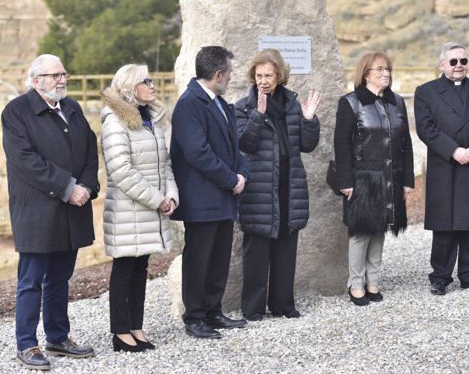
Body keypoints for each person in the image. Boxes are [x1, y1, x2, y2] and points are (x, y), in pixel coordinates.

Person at [1, 54, 99, 370]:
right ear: (36, 81)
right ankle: (27, 345)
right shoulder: (16, 112)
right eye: (54, 75)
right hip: (38, 212)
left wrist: (85, 185)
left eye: (63, 74)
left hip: (70, 211)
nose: (62, 80)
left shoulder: (72, 108)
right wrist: (68, 187)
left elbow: (89, 149)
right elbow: (26, 161)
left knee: (60, 277)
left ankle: (58, 338)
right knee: (31, 280)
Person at [234, 49, 321, 321]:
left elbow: (307, 145)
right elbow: (244, 144)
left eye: (268, 75)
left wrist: (309, 120)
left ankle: (283, 304)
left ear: (279, 76)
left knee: (286, 245)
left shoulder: (293, 104)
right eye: (259, 75)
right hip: (258, 186)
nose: (263, 80)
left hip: (288, 183)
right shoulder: (242, 107)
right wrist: (258, 116)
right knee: (257, 249)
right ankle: (253, 308)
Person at [170, 45, 249, 339]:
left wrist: (242, 174)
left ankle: (213, 311)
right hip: (202, 198)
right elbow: (198, 153)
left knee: (218, 258)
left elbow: (233, 147)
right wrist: (231, 180)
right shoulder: (189, 104)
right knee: (199, 259)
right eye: (229, 72)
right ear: (217, 74)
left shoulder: (219, 102)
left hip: (223, 196)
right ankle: (195, 317)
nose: (231, 77)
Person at [101, 64, 178, 352]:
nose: (153, 85)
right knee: (124, 268)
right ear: (132, 87)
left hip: (149, 208)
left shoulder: (151, 120)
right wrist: (158, 199)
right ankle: (120, 333)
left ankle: (136, 326)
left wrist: (171, 195)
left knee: (140, 268)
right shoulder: (115, 120)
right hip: (127, 211)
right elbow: (121, 170)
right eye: (146, 81)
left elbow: (164, 163)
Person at [414, 42, 469, 296]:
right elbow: (425, 128)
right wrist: (454, 151)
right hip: (446, 164)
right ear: (442, 65)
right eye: (453, 62)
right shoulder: (426, 92)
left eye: (463, 61)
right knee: (445, 224)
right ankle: (440, 276)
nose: (459, 66)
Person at [334, 51, 414, 306]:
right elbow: (342, 145)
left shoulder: (397, 103)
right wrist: (345, 181)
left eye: (387, 69)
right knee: (360, 232)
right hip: (362, 177)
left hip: (391, 176)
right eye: (379, 69)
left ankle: (373, 281)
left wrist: (407, 180)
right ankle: (355, 283)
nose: (385, 74)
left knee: (380, 228)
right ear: (365, 73)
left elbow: (407, 144)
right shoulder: (350, 103)